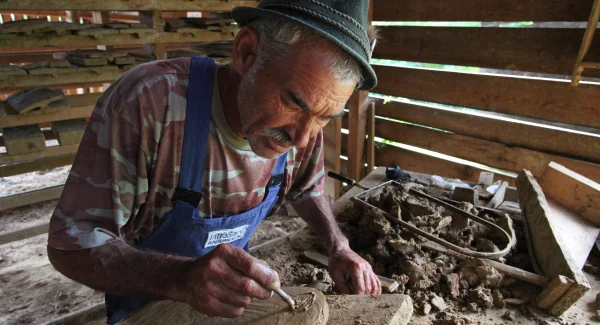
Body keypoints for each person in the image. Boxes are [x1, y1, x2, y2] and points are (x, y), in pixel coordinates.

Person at [47, 0, 381, 323]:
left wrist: (339, 246)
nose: (302, 138)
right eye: (293, 102)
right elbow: (70, 244)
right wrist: (179, 278)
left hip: (228, 308)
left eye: (325, 117)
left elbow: (307, 189)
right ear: (246, 52)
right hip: (145, 308)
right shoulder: (148, 104)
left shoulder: (303, 125)